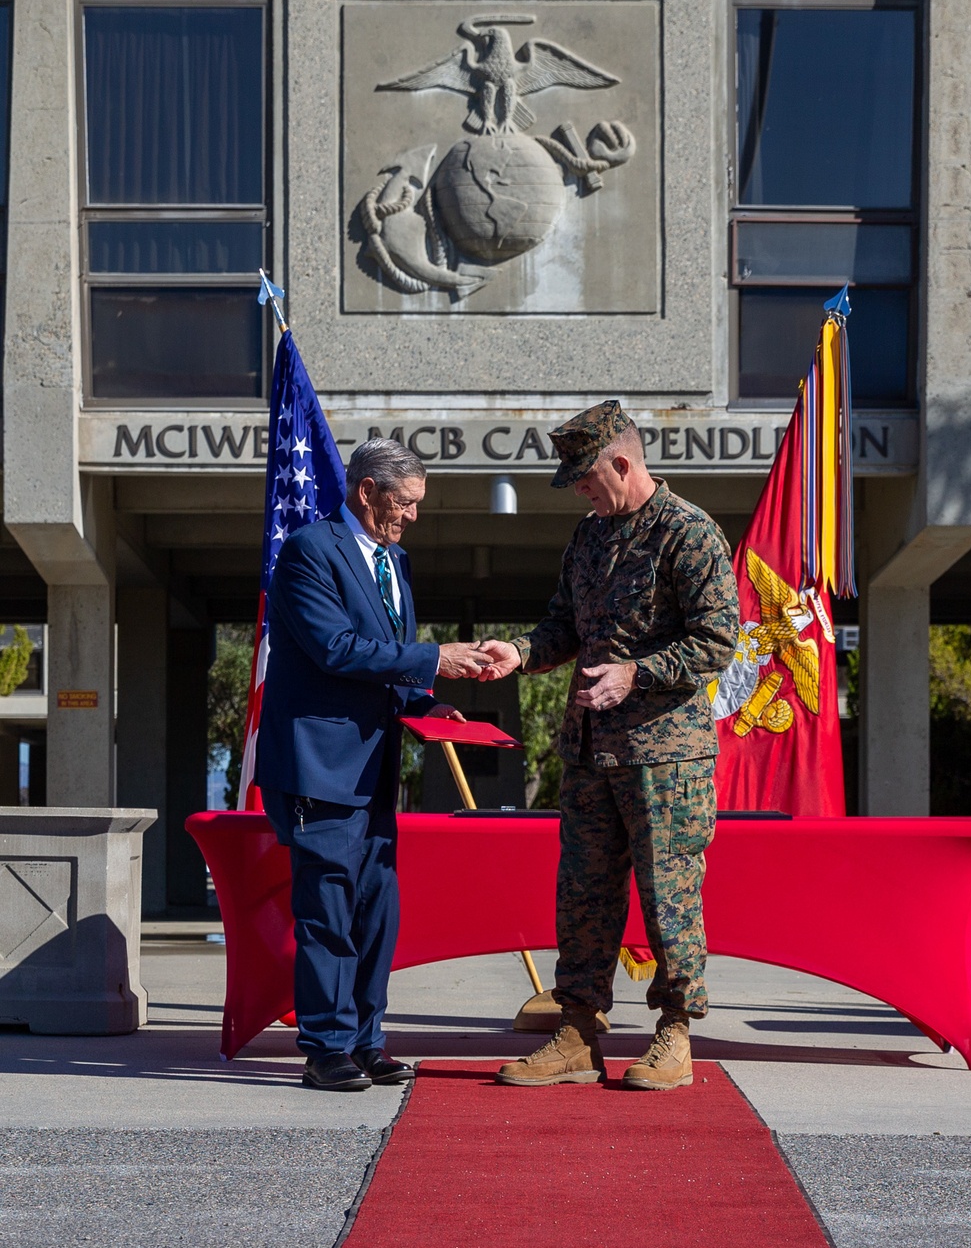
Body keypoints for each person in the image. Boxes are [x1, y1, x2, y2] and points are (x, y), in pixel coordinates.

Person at [479, 401, 739, 1090]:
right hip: (591, 751)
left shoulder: (689, 533)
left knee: (668, 898)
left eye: (588, 480)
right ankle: (577, 1031)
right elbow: (563, 627)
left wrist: (637, 674)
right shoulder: (589, 538)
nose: (583, 494)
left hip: (665, 755)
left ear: (622, 463)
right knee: (583, 896)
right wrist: (522, 652)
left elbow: (718, 640)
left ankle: (675, 1033)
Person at [257, 438, 490, 1092]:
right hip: (320, 770)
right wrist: (433, 658)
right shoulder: (309, 551)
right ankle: (325, 1048)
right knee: (328, 911)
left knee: (374, 911)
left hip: (375, 772)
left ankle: (365, 1041)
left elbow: (389, 658)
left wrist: (429, 705)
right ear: (367, 492)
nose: (413, 515)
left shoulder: (395, 563)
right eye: (406, 501)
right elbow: (336, 648)